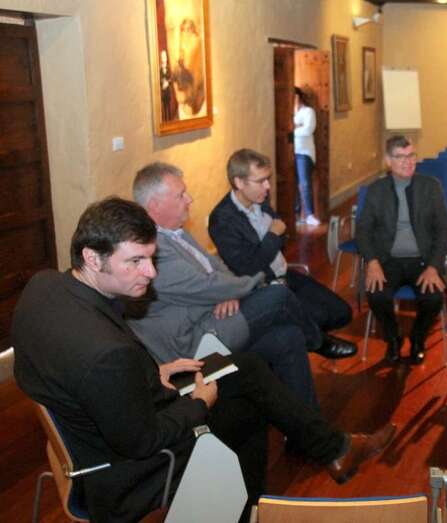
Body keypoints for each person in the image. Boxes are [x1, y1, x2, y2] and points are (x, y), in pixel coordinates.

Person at [11, 197, 395, 523]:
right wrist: (198, 403)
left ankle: (335, 450)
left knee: (246, 366)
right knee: (249, 411)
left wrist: (153, 372)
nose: (151, 272)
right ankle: (250, 506)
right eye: (136, 261)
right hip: (127, 474)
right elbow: (142, 442)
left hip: (105, 421)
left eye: (151, 258)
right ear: (92, 258)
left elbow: (98, 381)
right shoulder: (107, 355)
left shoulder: (44, 285)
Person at [127, 162, 344, 409]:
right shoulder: (152, 248)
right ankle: (319, 342)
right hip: (193, 342)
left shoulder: (175, 232)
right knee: (278, 294)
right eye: (181, 195)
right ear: (155, 205)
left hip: (211, 316)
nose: (190, 199)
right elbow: (206, 286)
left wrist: (227, 294)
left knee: (289, 337)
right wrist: (254, 282)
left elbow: (215, 267)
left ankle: (308, 425)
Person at [208, 148, 356, 358]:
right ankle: (318, 342)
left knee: (342, 313)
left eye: (267, 179)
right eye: (261, 181)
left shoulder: (260, 199)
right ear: (239, 182)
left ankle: (304, 334)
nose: (268, 186)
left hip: (284, 274)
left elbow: (283, 234)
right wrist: (272, 235)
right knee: (312, 319)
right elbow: (249, 267)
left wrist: (276, 235)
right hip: (261, 286)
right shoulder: (222, 219)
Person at [355, 135, 447, 364]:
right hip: (388, 260)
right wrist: (373, 262)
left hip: (423, 260)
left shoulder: (431, 186)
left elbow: (443, 230)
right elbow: (363, 230)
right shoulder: (376, 190)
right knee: (376, 294)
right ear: (388, 161)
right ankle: (393, 338)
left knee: (433, 298)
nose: (408, 162)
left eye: (411, 156)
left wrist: (433, 267)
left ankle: (418, 338)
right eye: (400, 157)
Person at [294, 86, 319, 226]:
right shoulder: (289, 113)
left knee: (304, 183)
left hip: (304, 153)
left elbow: (308, 130)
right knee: (293, 185)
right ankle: (296, 215)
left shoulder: (308, 111)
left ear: (299, 97)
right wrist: (298, 127)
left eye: (295, 96)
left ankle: (310, 215)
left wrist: (293, 130)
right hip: (292, 153)